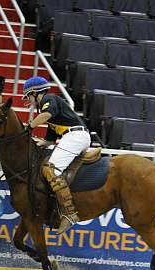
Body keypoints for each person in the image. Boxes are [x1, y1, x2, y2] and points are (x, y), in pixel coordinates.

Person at [22, 76, 91, 235]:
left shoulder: (49, 99)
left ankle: (69, 213)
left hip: (74, 136)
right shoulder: (52, 110)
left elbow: (46, 115)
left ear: (35, 93)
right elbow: (49, 140)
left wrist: (30, 126)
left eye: (28, 96)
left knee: (50, 169)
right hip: (73, 136)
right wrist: (37, 143)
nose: (28, 101)